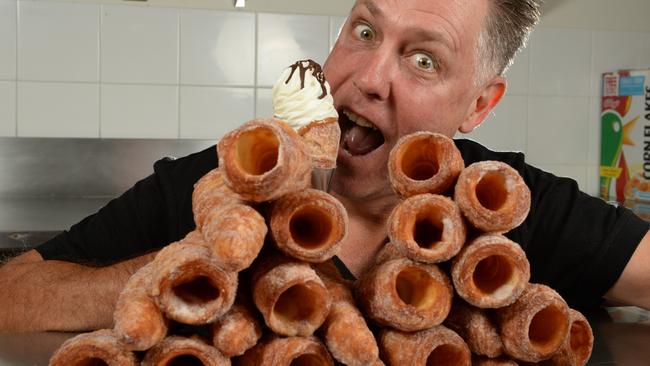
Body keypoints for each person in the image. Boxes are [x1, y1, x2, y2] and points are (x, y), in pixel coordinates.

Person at [1, 0, 648, 332]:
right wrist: (186, 269)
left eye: (423, 59)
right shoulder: (218, 182)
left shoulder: (507, 202)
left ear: (479, 104)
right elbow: (12, 295)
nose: (366, 78)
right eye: (365, 31)